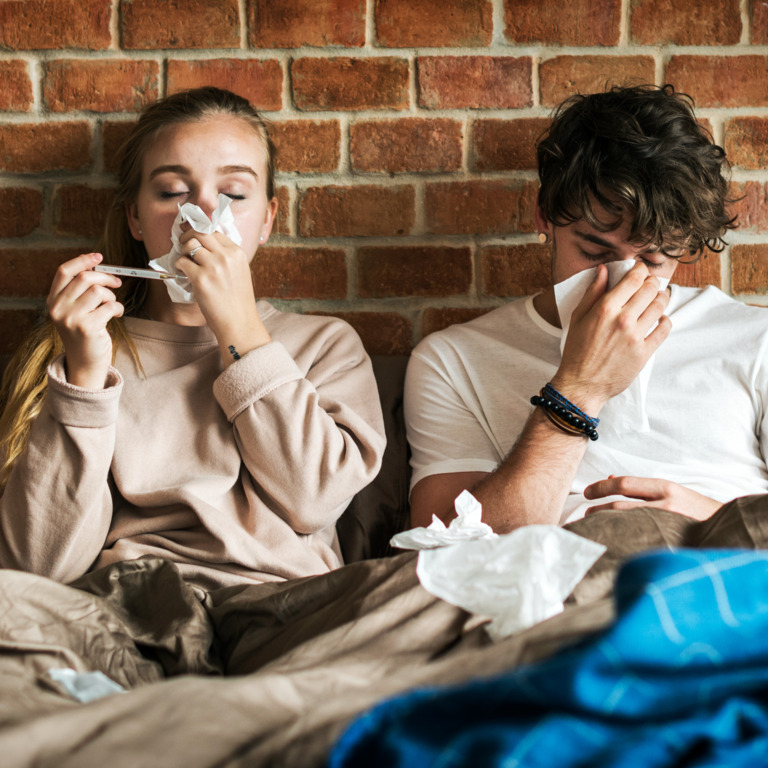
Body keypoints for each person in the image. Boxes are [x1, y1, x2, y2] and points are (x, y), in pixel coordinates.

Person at [0, 86, 386, 589]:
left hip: (284, 604)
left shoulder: (325, 345)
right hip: (127, 604)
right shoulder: (85, 351)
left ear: (267, 219)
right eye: (172, 193)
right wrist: (85, 379)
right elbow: (34, 570)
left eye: (234, 194)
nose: (202, 216)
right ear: (135, 218)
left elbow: (313, 500)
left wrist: (240, 329)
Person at [404, 83, 768, 533]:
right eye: (595, 252)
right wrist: (580, 388)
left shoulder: (756, 340)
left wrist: (711, 519)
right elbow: (441, 549)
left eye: (652, 260)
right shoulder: (453, 361)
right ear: (545, 217)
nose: (622, 282)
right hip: (564, 585)